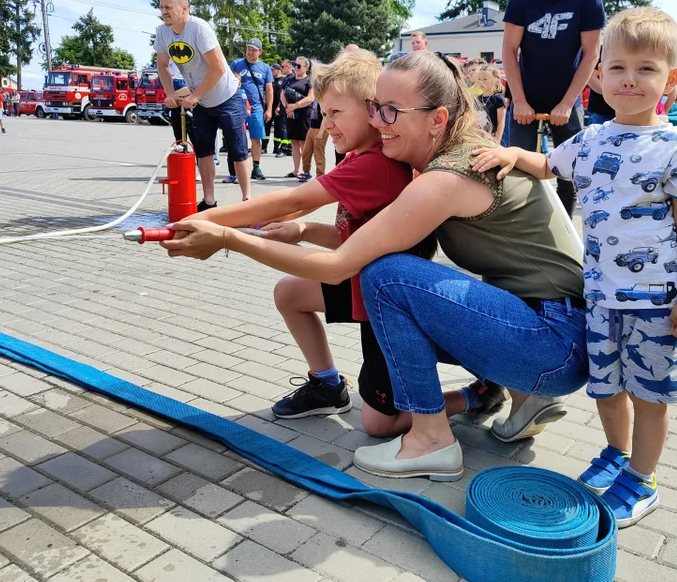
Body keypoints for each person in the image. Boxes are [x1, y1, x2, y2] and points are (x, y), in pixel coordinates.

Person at [161, 50, 588, 482]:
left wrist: (228, 236)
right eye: (373, 108)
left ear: (437, 119)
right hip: (551, 331)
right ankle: (514, 394)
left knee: (385, 277)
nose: (378, 121)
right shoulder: (453, 156)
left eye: (390, 111)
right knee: (390, 277)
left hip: (553, 342)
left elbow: (337, 263)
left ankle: (431, 440)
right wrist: (294, 229)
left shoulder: (447, 176)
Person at [184, 50, 503, 434]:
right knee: (290, 293)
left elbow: (294, 200)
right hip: (361, 281)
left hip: (383, 304)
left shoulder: (375, 163)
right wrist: (302, 232)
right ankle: (328, 385)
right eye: (324, 111)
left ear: (371, 111)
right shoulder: (362, 155)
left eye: (336, 112)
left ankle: (478, 394)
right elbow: (354, 236)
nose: (326, 122)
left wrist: (203, 222)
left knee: (378, 425)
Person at [472, 6, 677, 528]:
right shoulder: (593, 138)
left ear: (670, 79)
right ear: (598, 76)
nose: (630, 80)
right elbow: (547, 164)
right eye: (618, 67)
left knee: (650, 396)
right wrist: (511, 153)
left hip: (656, 304)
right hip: (599, 298)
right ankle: (616, 455)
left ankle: (642, 480)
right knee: (607, 389)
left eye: (646, 69)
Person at [502, 0, 605, 216]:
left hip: (566, 95)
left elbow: (591, 53)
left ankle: (565, 229)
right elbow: (510, 50)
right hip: (527, 93)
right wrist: (519, 100)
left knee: (569, 171)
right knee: (519, 168)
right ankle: (523, 227)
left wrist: (568, 102)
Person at [154, 0, 251, 209]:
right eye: (161, 8)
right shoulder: (163, 32)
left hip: (227, 97)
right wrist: (170, 93)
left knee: (238, 150)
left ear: (184, 8)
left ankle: (247, 201)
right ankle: (208, 201)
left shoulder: (199, 29)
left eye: (168, 7)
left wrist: (195, 96)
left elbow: (217, 68)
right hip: (201, 101)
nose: (164, 12)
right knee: (204, 151)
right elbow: (162, 65)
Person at [230, 39, 274, 181]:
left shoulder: (265, 68)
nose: (250, 52)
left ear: (260, 52)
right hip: (238, 107)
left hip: (257, 108)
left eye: (253, 50)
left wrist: (269, 109)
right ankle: (237, 169)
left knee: (256, 139)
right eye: (248, 49)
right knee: (238, 138)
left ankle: (256, 167)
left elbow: (269, 89)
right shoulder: (237, 64)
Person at [281, 57, 316, 180]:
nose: (296, 67)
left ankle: (306, 170)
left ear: (306, 68)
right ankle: (296, 170)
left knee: (304, 143)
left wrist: (295, 106)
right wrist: (287, 108)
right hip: (290, 114)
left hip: (303, 115)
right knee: (294, 143)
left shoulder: (309, 81)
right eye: (295, 65)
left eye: (299, 66)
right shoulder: (289, 79)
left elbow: (311, 98)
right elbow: (282, 94)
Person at [301, 70, 329, 181]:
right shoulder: (315, 98)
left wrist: (321, 132)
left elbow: (326, 116)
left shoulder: (324, 98)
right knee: (306, 152)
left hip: (321, 128)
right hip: (312, 127)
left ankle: (320, 174)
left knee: (318, 153)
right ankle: (306, 172)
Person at [476, 64, 507, 142]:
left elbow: (501, 122)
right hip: (479, 138)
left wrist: (497, 139)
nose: (481, 82)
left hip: (492, 138)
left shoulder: (498, 99)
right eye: (479, 79)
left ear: (495, 80)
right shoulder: (477, 99)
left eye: (485, 79)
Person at [585, 47, 616, 127]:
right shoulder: (605, 48)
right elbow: (591, 77)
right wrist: (611, 94)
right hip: (601, 111)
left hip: (633, 111)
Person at [269, 63, 289, 157]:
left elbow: (283, 94)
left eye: (273, 70)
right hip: (270, 106)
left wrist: (279, 106)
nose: (271, 71)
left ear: (278, 70)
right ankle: (270, 147)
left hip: (279, 106)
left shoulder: (283, 80)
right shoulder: (270, 80)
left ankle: (283, 147)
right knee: (267, 127)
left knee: (280, 127)